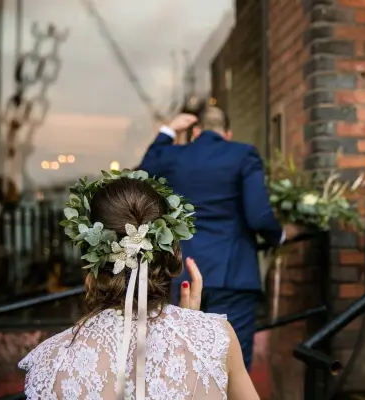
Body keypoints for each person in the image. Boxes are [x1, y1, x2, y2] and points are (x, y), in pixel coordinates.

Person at [19, 174, 260, 399]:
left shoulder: (48, 364)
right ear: (167, 252)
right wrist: (194, 329)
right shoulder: (216, 338)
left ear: (91, 259)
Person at [139, 106, 296, 371]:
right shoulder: (243, 154)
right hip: (233, 274)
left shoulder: (175, 157)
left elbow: (142, 174)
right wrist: (280, 235)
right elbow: (259, 216)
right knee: (231, 366)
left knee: (186, 364)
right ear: (228, 133)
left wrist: (168, 130)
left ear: (195, 132)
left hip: (185, 276)